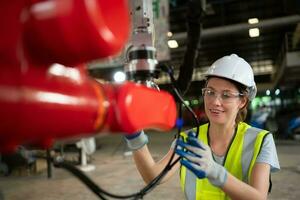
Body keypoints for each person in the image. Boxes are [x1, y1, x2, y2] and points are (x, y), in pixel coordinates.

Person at [125, 54, 280, 200]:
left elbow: (259, 197)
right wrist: (134, 135)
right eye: (210, 92)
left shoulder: (260, 140)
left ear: (242, 102)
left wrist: (214, 171)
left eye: (226, 95)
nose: (215, 102)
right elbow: (152, 177)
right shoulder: (189, 140)